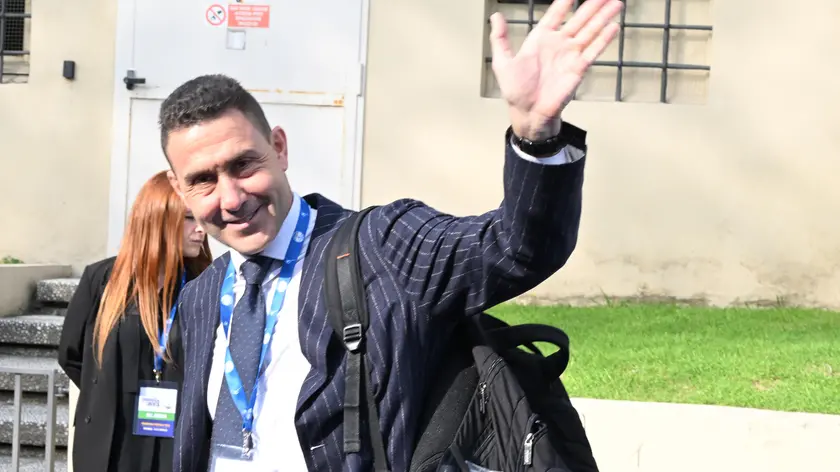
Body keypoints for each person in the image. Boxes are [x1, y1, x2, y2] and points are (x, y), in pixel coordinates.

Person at [162, 0, 623, 470]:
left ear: (279, 148)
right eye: (203, 180)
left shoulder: (382, 247)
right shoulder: (202, 297)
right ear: (179, 189)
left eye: (244, 165)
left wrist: (537, 138)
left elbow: (513, 248)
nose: (232, 197)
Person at [57, 171, 213, 472]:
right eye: (189, 218)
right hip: (111, 441)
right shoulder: (101, 279)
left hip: (176, 438)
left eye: (202, 218)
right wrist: (108, 394)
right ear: (157, 220)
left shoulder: (204, 284)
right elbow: (72, 355)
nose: (201, 229)